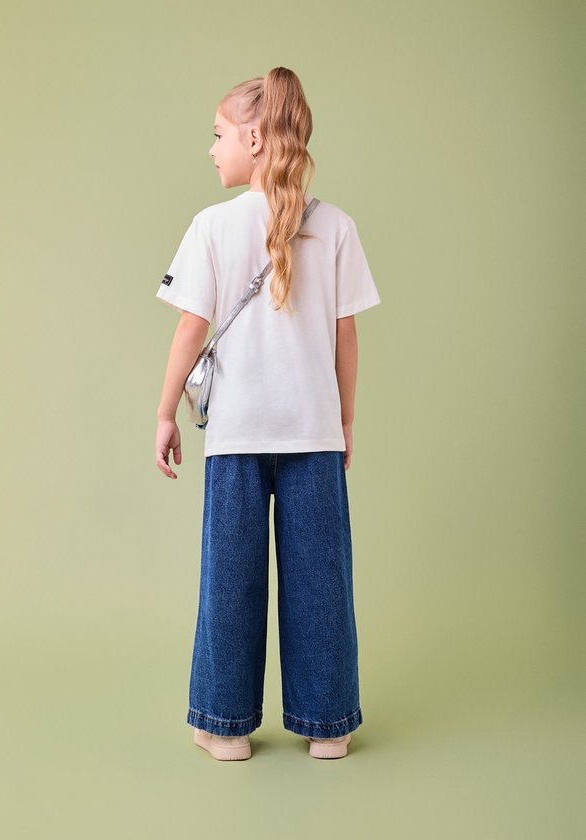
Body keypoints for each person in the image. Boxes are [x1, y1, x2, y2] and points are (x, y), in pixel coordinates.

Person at [154, 67, 381, 761]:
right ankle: (329, 726)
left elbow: (191, 328)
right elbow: (346, 337)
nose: (212, 148)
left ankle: (224, 728)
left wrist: (165, 412)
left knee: (230, 582)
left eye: (219, 134)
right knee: (322, 583)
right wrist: (345, 422)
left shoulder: (212, 226)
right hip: (314, 431)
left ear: (254, 139)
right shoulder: (335, 226)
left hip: (236, 435)